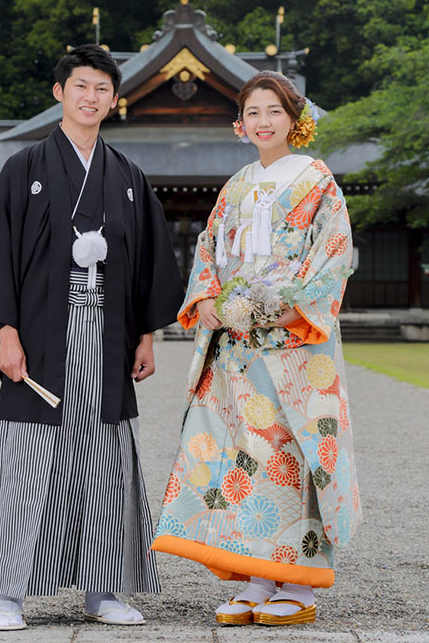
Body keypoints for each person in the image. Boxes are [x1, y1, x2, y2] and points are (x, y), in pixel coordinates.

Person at [0, 44, 184, 630]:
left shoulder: (129, 177)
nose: (91, 97)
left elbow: (146, 265)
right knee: (30, 463)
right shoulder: (24, 169)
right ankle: (10, 594)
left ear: (115, 100)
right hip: (39, 335)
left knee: (105, 464)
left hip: (108, 337)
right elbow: (0, 258)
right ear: (59, 93)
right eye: (81, 86)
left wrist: (146, 335)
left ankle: (104, 591)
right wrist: (4, 333)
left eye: (102, 89)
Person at [151, 71, 361, 626]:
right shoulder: (236, 184)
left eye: (274, 111)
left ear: (295, 121)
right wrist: (210, 301)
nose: (263, 121)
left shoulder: (318, 182)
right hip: (237, 349)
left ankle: (300, 583)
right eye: (253, 112)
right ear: (239, 125)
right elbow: (208, 251)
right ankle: (257, 575)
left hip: (293, 347)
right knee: (240, 454)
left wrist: (278, 309)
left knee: (290, 453)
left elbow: (332, 256)